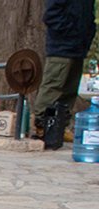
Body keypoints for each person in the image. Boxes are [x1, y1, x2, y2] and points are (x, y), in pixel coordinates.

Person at [36, 0, 97, 149]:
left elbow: (89, 15)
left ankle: (60, 128)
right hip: (61, 47)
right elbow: (51, 15)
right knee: (53, 86)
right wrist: (69, 32)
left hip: (79, 47)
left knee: (70, 91)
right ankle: (42, 127)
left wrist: (88, 34)